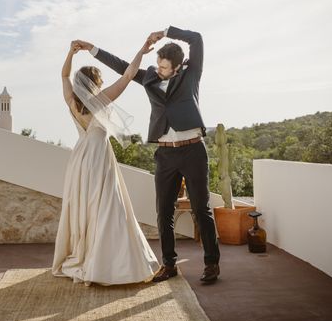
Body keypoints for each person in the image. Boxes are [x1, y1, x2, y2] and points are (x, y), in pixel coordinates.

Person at [74, 25, 221, 283]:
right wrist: (92, 49)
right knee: (163, 211)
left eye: (165, 67)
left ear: (177, 67)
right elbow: (123, 67)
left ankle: (211, 264)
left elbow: (196, 39)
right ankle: (169, 264)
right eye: (159, 65)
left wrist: (165, 32)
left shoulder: (191, 75)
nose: (160, 70)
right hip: (165, 155)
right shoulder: (150, 78)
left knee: (201, 209)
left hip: (193, 151)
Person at [52, 39, 159, 286]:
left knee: (85, 206)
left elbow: (64, 73)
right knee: (108, 205)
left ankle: (88, 255)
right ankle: (110, 263)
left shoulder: (71, 101)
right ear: (95, 83)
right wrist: (140, 51)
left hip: (80, 157)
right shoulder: (101, 100)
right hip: (99, 156)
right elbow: (129, 74)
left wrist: (70, 52)